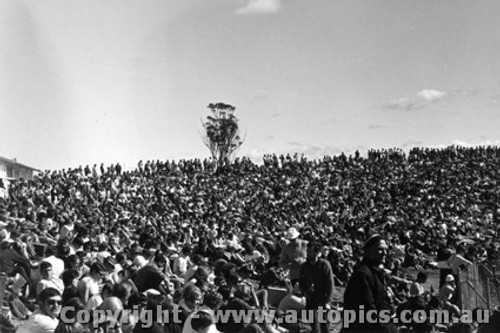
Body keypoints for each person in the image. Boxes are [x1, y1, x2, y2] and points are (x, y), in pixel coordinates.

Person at [342, 234, 391, 333]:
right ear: (368, 250)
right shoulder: (363, 274)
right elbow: (367, 308)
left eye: (386, 249)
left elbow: (382, 301)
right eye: (380, 249)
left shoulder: (376, 272)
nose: (384, 253)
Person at [299, 241, 334, 333]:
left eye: (310, 251)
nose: (307, 253)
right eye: (307, 251)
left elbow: (330, 284)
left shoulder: (324, 265)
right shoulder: (304, 267)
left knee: (325, 327)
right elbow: (301, 283)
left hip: (323, 299)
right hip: (311, 300)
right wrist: (305, 292)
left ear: (316, 253)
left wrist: (328, 302)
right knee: (314, 327)